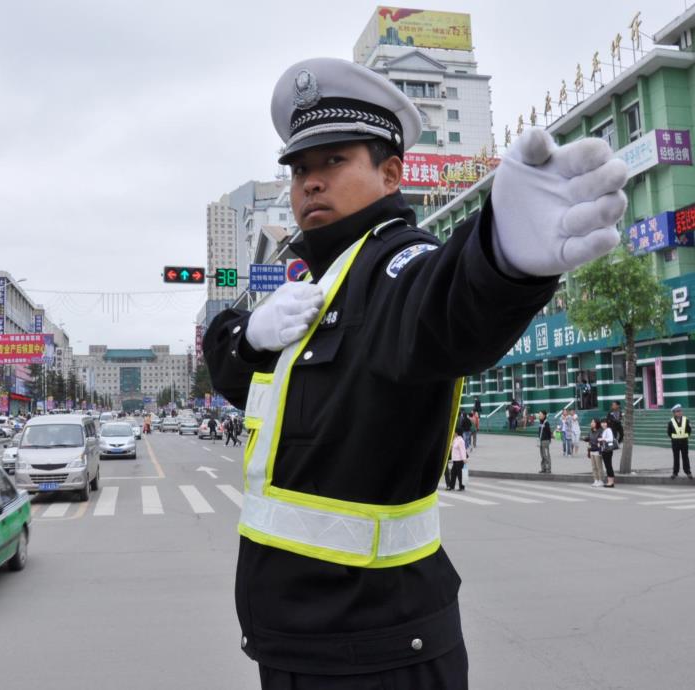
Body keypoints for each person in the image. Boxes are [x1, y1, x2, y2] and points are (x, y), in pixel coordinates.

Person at [202, 56, 627, 687]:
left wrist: (503, 255)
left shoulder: (395, 264)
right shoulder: (320, 280)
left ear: (392, 172)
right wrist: (251, 339)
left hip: (377, 653)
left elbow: (445, 307)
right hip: (300, 645)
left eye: (333, 161)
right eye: (298, 169)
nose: (310, 184)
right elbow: (234, 373)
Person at [666, 404, 693, 479]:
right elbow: (669, 432)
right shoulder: (671, 422)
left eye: (680, 411)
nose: (679, 412)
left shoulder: (686, 420)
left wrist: (685, 436)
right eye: (677, 411)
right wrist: (674, 438)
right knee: (676, 457)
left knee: (685, 457)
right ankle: (675, 472)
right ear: (674, 413)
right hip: (675, 443)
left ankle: (688, 472)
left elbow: (689, 430)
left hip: (684, 442)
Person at [586, 419, 605, 487]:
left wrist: (593, 443)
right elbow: (589, 438)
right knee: (593, 466)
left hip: (597, 450)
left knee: (599, 466)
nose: (591, 423)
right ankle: (596, 480)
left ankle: (601, 480)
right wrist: (586, 439)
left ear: (596, 423)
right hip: (591, 450)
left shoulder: (600, 431)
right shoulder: (590, 431)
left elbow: (599, 440)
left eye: (593, 422)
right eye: (591, 422)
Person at [599, 418, 617, 487]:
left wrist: (602, 439)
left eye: (604, 423)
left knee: (608, 466)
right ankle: (609, 481)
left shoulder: (608, 430)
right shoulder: (604, 430)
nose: (603, 424)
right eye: (602, 423)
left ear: (607, 423)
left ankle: (611, 482)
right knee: (607, 466)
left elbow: (610, 439)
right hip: (605, 450)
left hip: (608, 450)